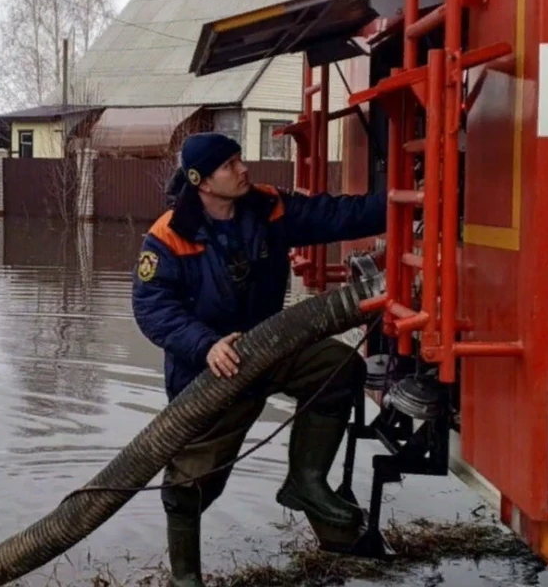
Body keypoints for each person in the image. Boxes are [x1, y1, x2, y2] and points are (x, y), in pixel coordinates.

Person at [132, 132, 387, 587]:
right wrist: (206, 344)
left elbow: (336, 215)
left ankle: (307, 484)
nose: (243, 169)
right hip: (212, 371)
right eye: (229, 165)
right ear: (202, 182)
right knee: (189, 485)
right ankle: (186, 578)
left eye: (238, 159)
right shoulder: (168, 236)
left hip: (270, 348)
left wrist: (407, 202)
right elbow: (153, 309)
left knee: (338, 368)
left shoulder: (267, 206)